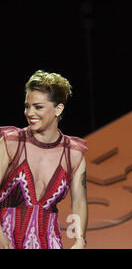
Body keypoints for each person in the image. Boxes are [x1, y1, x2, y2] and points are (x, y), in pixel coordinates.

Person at [0, 70, 88, 249]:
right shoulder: (10, 143)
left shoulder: (74, 155)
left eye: (38, 107)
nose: (30, 112)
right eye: (27, 106)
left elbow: (78, 202)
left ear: (58, 109)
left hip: (48, 242)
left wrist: (79, 239)